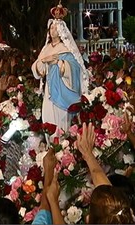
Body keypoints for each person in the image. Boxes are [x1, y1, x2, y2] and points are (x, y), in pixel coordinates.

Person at [31, 2, 88, 132]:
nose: (52, 31)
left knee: (61, 122)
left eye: (55, 28)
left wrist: (58, 63)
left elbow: (75, 69)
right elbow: (37, 70)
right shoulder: (46, 48)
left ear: (61, 30)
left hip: (62, 90)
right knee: (48, 118)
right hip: (48, 91)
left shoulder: (66, 49)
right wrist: (45, 61)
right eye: (51, 28)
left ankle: (62, 148)